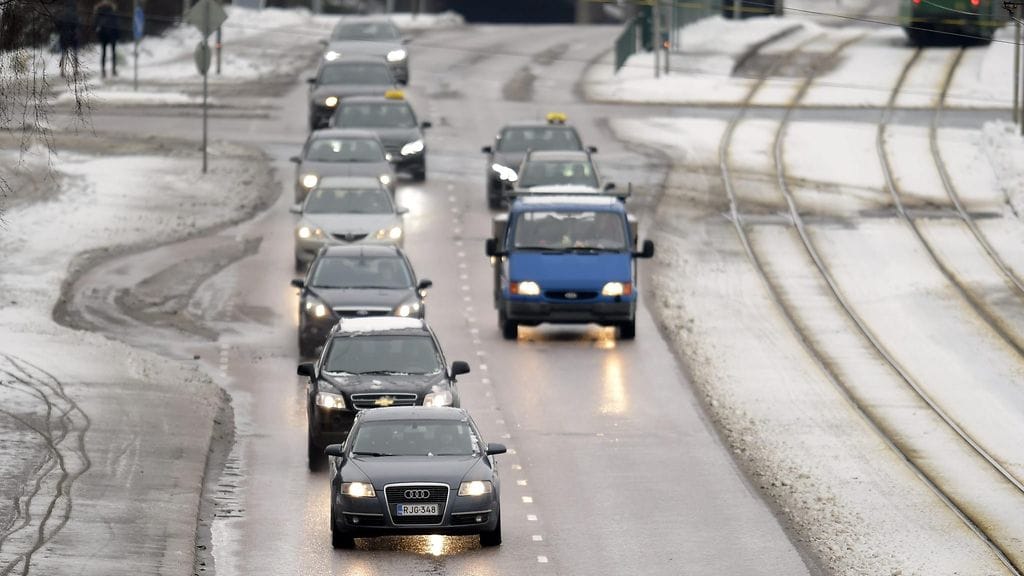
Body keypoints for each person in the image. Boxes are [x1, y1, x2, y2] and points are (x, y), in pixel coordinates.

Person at [94, 0, 119, 78]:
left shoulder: (99, 10)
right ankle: (113, 70)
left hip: (103, 35)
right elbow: (116, 23)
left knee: (104, 53)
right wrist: (118, 35)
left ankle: (103, 71)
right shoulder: (112, 10)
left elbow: (95, 24)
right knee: (113, 53)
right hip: (112, 35)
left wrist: (98, 33)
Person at [55, 0, 80, 79]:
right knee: (75, 54)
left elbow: (58, 25)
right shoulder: (75, 15)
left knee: (63, 54)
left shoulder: (62, 15)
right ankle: (75, 70)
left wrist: (61, 32)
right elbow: (78, 26)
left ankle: (62, 71)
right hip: (73, 36)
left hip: (64, 36)